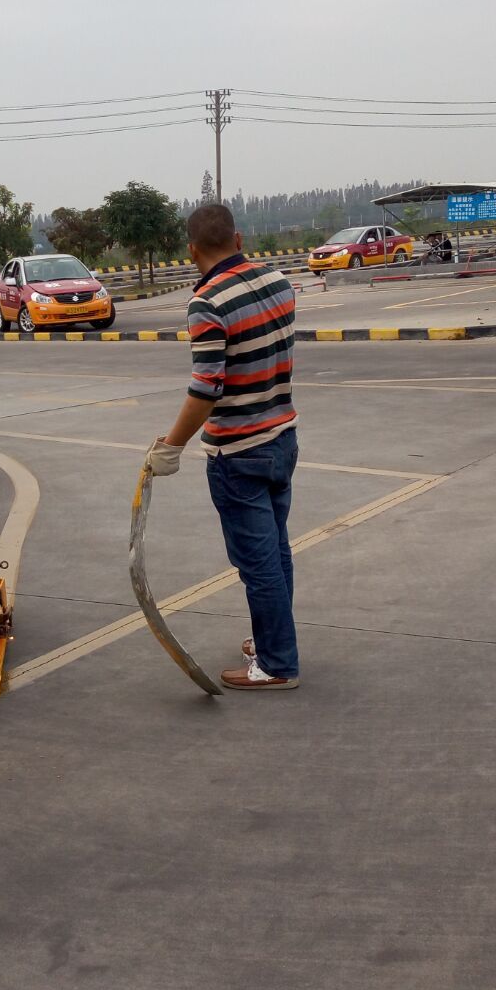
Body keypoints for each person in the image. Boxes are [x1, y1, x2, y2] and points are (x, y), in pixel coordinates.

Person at [145, 202, 299, 691]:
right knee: (276, 552)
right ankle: (272, 638)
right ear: (239, 239)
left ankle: (276, 663)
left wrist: (171, 446)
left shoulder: (207, 302)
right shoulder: (278, 280)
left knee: (259, 565)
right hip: (282, 437)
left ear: (192, 251)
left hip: (239, 452)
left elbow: (207, 386)